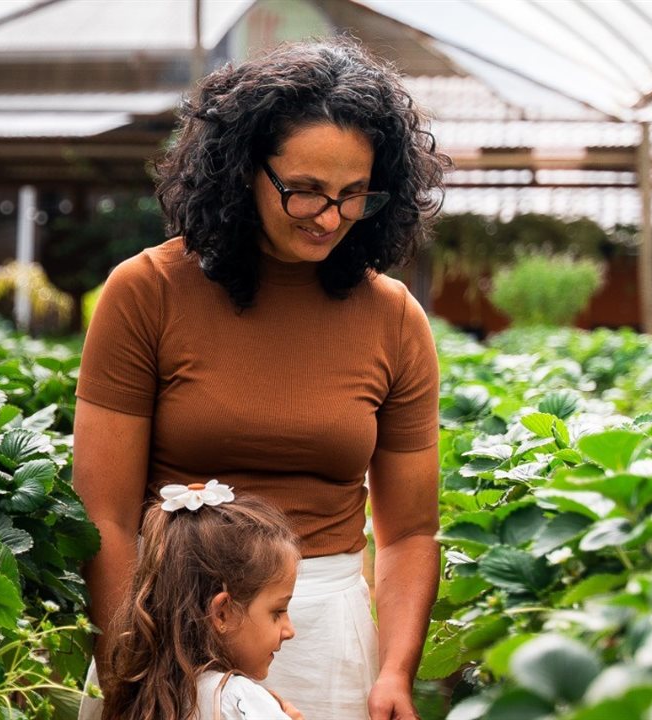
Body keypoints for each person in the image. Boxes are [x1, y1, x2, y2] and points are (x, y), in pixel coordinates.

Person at [74, 39, 446, 720]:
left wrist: (395, 672)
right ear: (243, 169)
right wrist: (139, 675)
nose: (329, 217)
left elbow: (408, 534)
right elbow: (104, 517)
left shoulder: (394, 318)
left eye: (353, 194)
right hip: (167, 640)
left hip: (325, 638)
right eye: (303, 191)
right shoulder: (146, 292)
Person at [102, 482, 306, 720]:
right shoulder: (239, 701)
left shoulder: (147, 696)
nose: (289, 630)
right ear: (222, 613)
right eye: (277, 612)